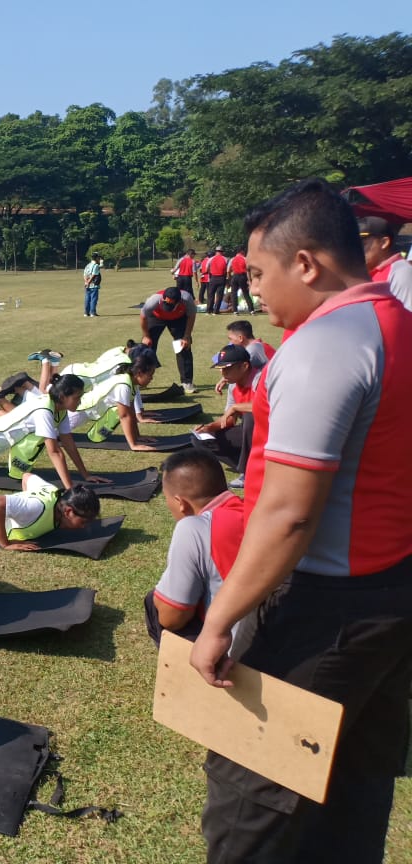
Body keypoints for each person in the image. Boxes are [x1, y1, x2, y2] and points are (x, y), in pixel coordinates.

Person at [187, 179, 412, 864]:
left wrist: (220, 618)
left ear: (307, 264)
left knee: (250, 809)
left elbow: (287, 515)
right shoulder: (397, 320)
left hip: (326, 608)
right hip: (389, 592)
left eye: (258, 273)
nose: (252, 291)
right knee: (352, 789)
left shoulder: (327, 345)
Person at [144, 450, 244, 645]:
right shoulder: (252, 511)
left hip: (233, 645)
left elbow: (171, 618)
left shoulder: (194, 527)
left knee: (154, 602)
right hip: (275, 636)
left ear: (181, 503)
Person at [40, 347, 162, 450]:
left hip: (88, 410)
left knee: (53, 429)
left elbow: (130, 411)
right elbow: (124, 416)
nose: (152, 378)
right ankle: (43, 364)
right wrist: (133, 445)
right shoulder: (123, 385)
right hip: (82, 410)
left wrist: (138, 436)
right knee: (47, 434)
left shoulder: (131, 383)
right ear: (139, 373)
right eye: (150, 375)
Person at [192, 345, 261, 488]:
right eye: (221, 369)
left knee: (250, 417)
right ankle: (252, 467)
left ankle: (248, 472)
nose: (223, 373)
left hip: (271, 434)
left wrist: (236, 407)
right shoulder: (233, 385)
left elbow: (268, 405)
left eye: (227, 368)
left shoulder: (260, 379)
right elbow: (229, 419)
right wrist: (209, 428)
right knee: (198, 439)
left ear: (244, 366)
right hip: (248, 432)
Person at [139, 286, 197, 393]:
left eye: (171, 305)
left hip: (178, 318)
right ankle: (141, 379)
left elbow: (191, 316)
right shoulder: (153, 301)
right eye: (166, 304)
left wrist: (187, 335)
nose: (168, 307)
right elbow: (143, 317)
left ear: (179, 302)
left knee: (183, 346)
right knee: (146, 347)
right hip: (156, 317)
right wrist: (146, 335)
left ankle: (187, 382)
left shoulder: (187, 299)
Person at [358, 214, 412, 311]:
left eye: (363, 244)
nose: (357, 249)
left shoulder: (401, 272)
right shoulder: (366, 272)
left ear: (384, 243)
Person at [226, 247, 252, 314]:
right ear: (241, 251)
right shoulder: (245, 259)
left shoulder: (232, 259)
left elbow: (228, 271)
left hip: (235, 276)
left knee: (233, 293)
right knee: (245, 293)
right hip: (242, 276)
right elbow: (248, 271)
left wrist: (230, 279)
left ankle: (235, 310)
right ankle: (251, 309)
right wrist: (249, 280)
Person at [205, 245, 228, 314]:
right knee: (219, 296)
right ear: (222, 252)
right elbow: (227, 269)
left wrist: (211, 272)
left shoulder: (211, 259)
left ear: (216, 251)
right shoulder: (225, 259)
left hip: (213, 277)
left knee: (211, 295)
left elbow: (206, 269)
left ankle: (209, 310)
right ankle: (216, 311)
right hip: (222, 278)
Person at [82, 252, 102, 317]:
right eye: (98, 257)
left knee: (87, 299)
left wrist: (86, 282)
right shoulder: (95, 265)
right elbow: (93, 275)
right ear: (96, 258)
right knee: (93, 299)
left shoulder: (88, 265)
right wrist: (89, 282)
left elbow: (85, 275)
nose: (99, 259)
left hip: (87, 285)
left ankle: (86, 313)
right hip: (94, 285)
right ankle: (92, 312)